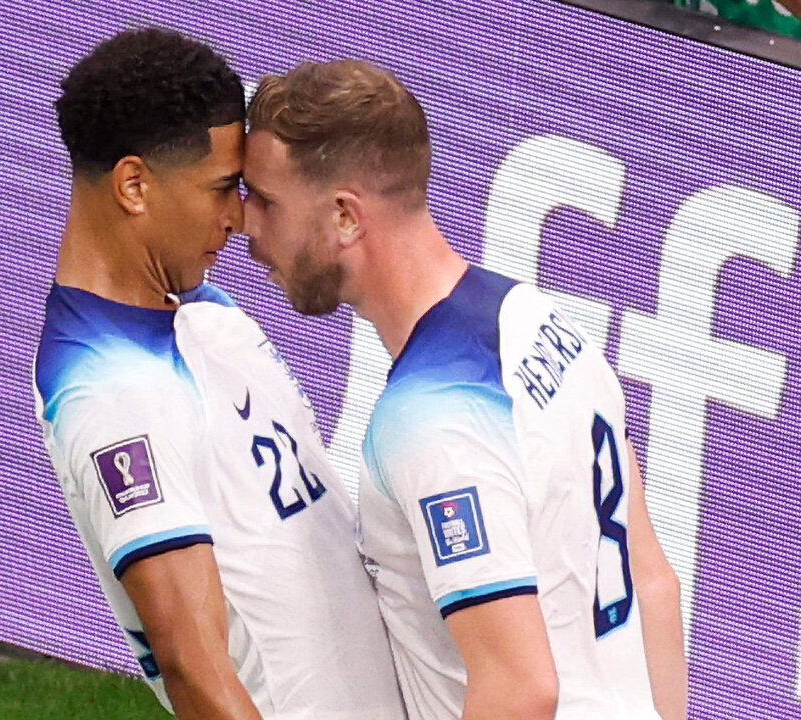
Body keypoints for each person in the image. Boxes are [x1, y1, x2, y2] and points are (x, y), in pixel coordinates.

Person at [241, 59, 688, 720]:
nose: (247, 230)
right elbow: (655, 583)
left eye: (265, 201)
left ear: (343, 216)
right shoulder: (543, 321)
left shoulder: (433, 426)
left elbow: (520, 688)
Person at [31, 31, 405, 720]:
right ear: (134, 185)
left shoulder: (206, 310)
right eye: (219, 190)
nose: (237, 217)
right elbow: (195, 669)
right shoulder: (111, 393)